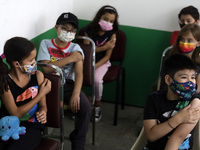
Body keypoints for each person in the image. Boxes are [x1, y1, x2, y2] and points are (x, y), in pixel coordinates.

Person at [37, 12, 91, 150]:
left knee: (84, 106)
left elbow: (79, 74)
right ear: (56, 28)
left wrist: (76, 94)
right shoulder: (46, 44)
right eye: (65, 28)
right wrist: (70, 59)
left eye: (73, 30)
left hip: (68, 85)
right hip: (49, 83)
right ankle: (39, 136)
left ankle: (77, 142)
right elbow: (46, 69)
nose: (69, 32)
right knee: (43, 105)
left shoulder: (76, 48)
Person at [0, 37, 51, 150]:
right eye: (31, 60)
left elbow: (43, 105)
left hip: (32, 125)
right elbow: (16, 114)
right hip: (6, 126)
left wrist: (43, 111)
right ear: (16, 64)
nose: (34, 62)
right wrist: (41, 94)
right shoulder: (5, 82)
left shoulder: (38, 76)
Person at [143, 54, 200, 150]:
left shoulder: (194, 102)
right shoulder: (153, 99)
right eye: (184, 77)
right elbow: (151, 136)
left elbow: (178, 138)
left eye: (193, 77)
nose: (190, 83)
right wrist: (178, 118)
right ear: (168, 80)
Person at [82, 5, 119, 122]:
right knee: (73, 76)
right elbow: (87, 52)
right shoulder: (87, 31)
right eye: (106, 19)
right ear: (99, 17)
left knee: (97, 80)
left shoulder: (112, 34)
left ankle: (97, 105)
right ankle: (79, 103)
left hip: (102, 63)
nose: (108, 23)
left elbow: (108, 56)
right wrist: (104, 47)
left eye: (112, 21)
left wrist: (94, 66)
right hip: (86, 61)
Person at [170, 24, 200, 94]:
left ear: (198, 43)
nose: (184, 43)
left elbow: (198, 90)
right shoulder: (173, 60)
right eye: (182, 39)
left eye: (189, 41)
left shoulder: (198, 64)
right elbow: (166, 81)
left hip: (192, 97)